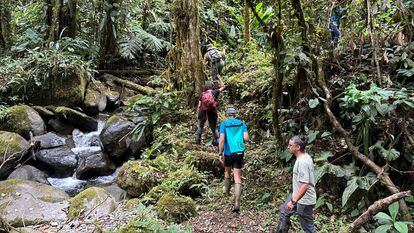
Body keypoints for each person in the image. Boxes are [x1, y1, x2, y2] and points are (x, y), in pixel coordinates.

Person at [275, 135, 317, 233]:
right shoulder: (304, 156)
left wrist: (293, 201)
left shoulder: (302, 162)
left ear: (298, 147)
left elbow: (305, 185)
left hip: (304, 200)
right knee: (284, 212)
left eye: (290, 145)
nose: (288, 147)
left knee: (308, 228)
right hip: (298, 195)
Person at [218, 107, 249, 212]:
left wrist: (219, 153)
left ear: (227, 115)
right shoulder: (241, 124)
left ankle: (225, 193)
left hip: (228, 153)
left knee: (227, 172)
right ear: (235, 114)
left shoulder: (224, 124)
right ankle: (236, 202)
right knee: (237, 177)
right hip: (239, 152)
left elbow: (222, 140)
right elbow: (246, 138)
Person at [195, 80, 225, 145]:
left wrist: (197, 113)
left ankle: (197, 140)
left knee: (200, 126)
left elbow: (199, 105)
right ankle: (218, 141)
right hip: (212, 111)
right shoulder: (214, 92)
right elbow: (223, 86)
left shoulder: (202, 94)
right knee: (213, 127)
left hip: (203, 111)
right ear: (212, 86)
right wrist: (219, 78)